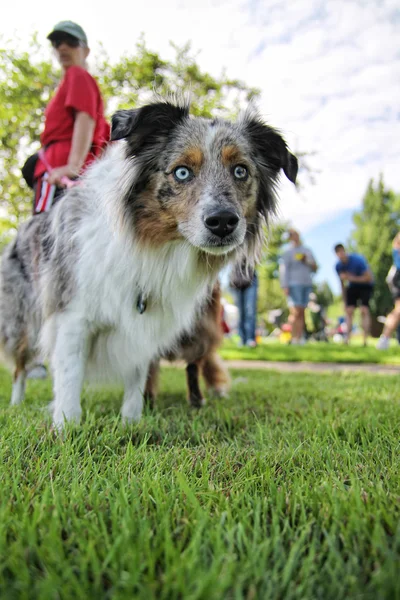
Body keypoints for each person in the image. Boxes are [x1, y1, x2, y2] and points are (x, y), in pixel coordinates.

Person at [32, 21, 110, 213]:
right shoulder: (80, 84)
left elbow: (85, 120)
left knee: (40, 234)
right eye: (57, 42)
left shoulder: (77, 75)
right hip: (84, 178)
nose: (63, 47)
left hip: (60, 173)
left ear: (86, 50)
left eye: (71, 42)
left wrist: (72, 166)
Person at [279, 229, 317, 345]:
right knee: (295, 311)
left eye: (294, 234)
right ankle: (292, 336)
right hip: (293, 284)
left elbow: (315, 267)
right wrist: (284, 285)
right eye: (290, 236)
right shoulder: (288, 252)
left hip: (306, 283)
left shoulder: (307, 251)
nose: (293, 237)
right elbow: (283, 269)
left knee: (302, 312)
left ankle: (299, 338)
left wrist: (307, 260)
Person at [334, 244, 373, 346]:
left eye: (342, 251)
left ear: (345, 251)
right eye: (338, 252)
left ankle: (365, 340)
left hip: (366, 285)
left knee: (364, 310)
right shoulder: (338, 266)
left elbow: (368, 277)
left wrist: (350, 278)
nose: (341, 254)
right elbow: (342, 284)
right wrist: (344, 301)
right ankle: (347, 340)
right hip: (352, 287)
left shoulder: (358, 260)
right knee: (349, 311)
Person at [376, 233, 400, 349]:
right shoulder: (397, 248)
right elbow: (397, 240)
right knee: (399, 308)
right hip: (397, 278)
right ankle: (384, 340)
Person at [229, 261, 258, 347]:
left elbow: (256, 260)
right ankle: (242, 339)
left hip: (250, 278)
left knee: (250, 311)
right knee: (240, 312)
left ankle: (250, 339)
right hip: (236, 279)